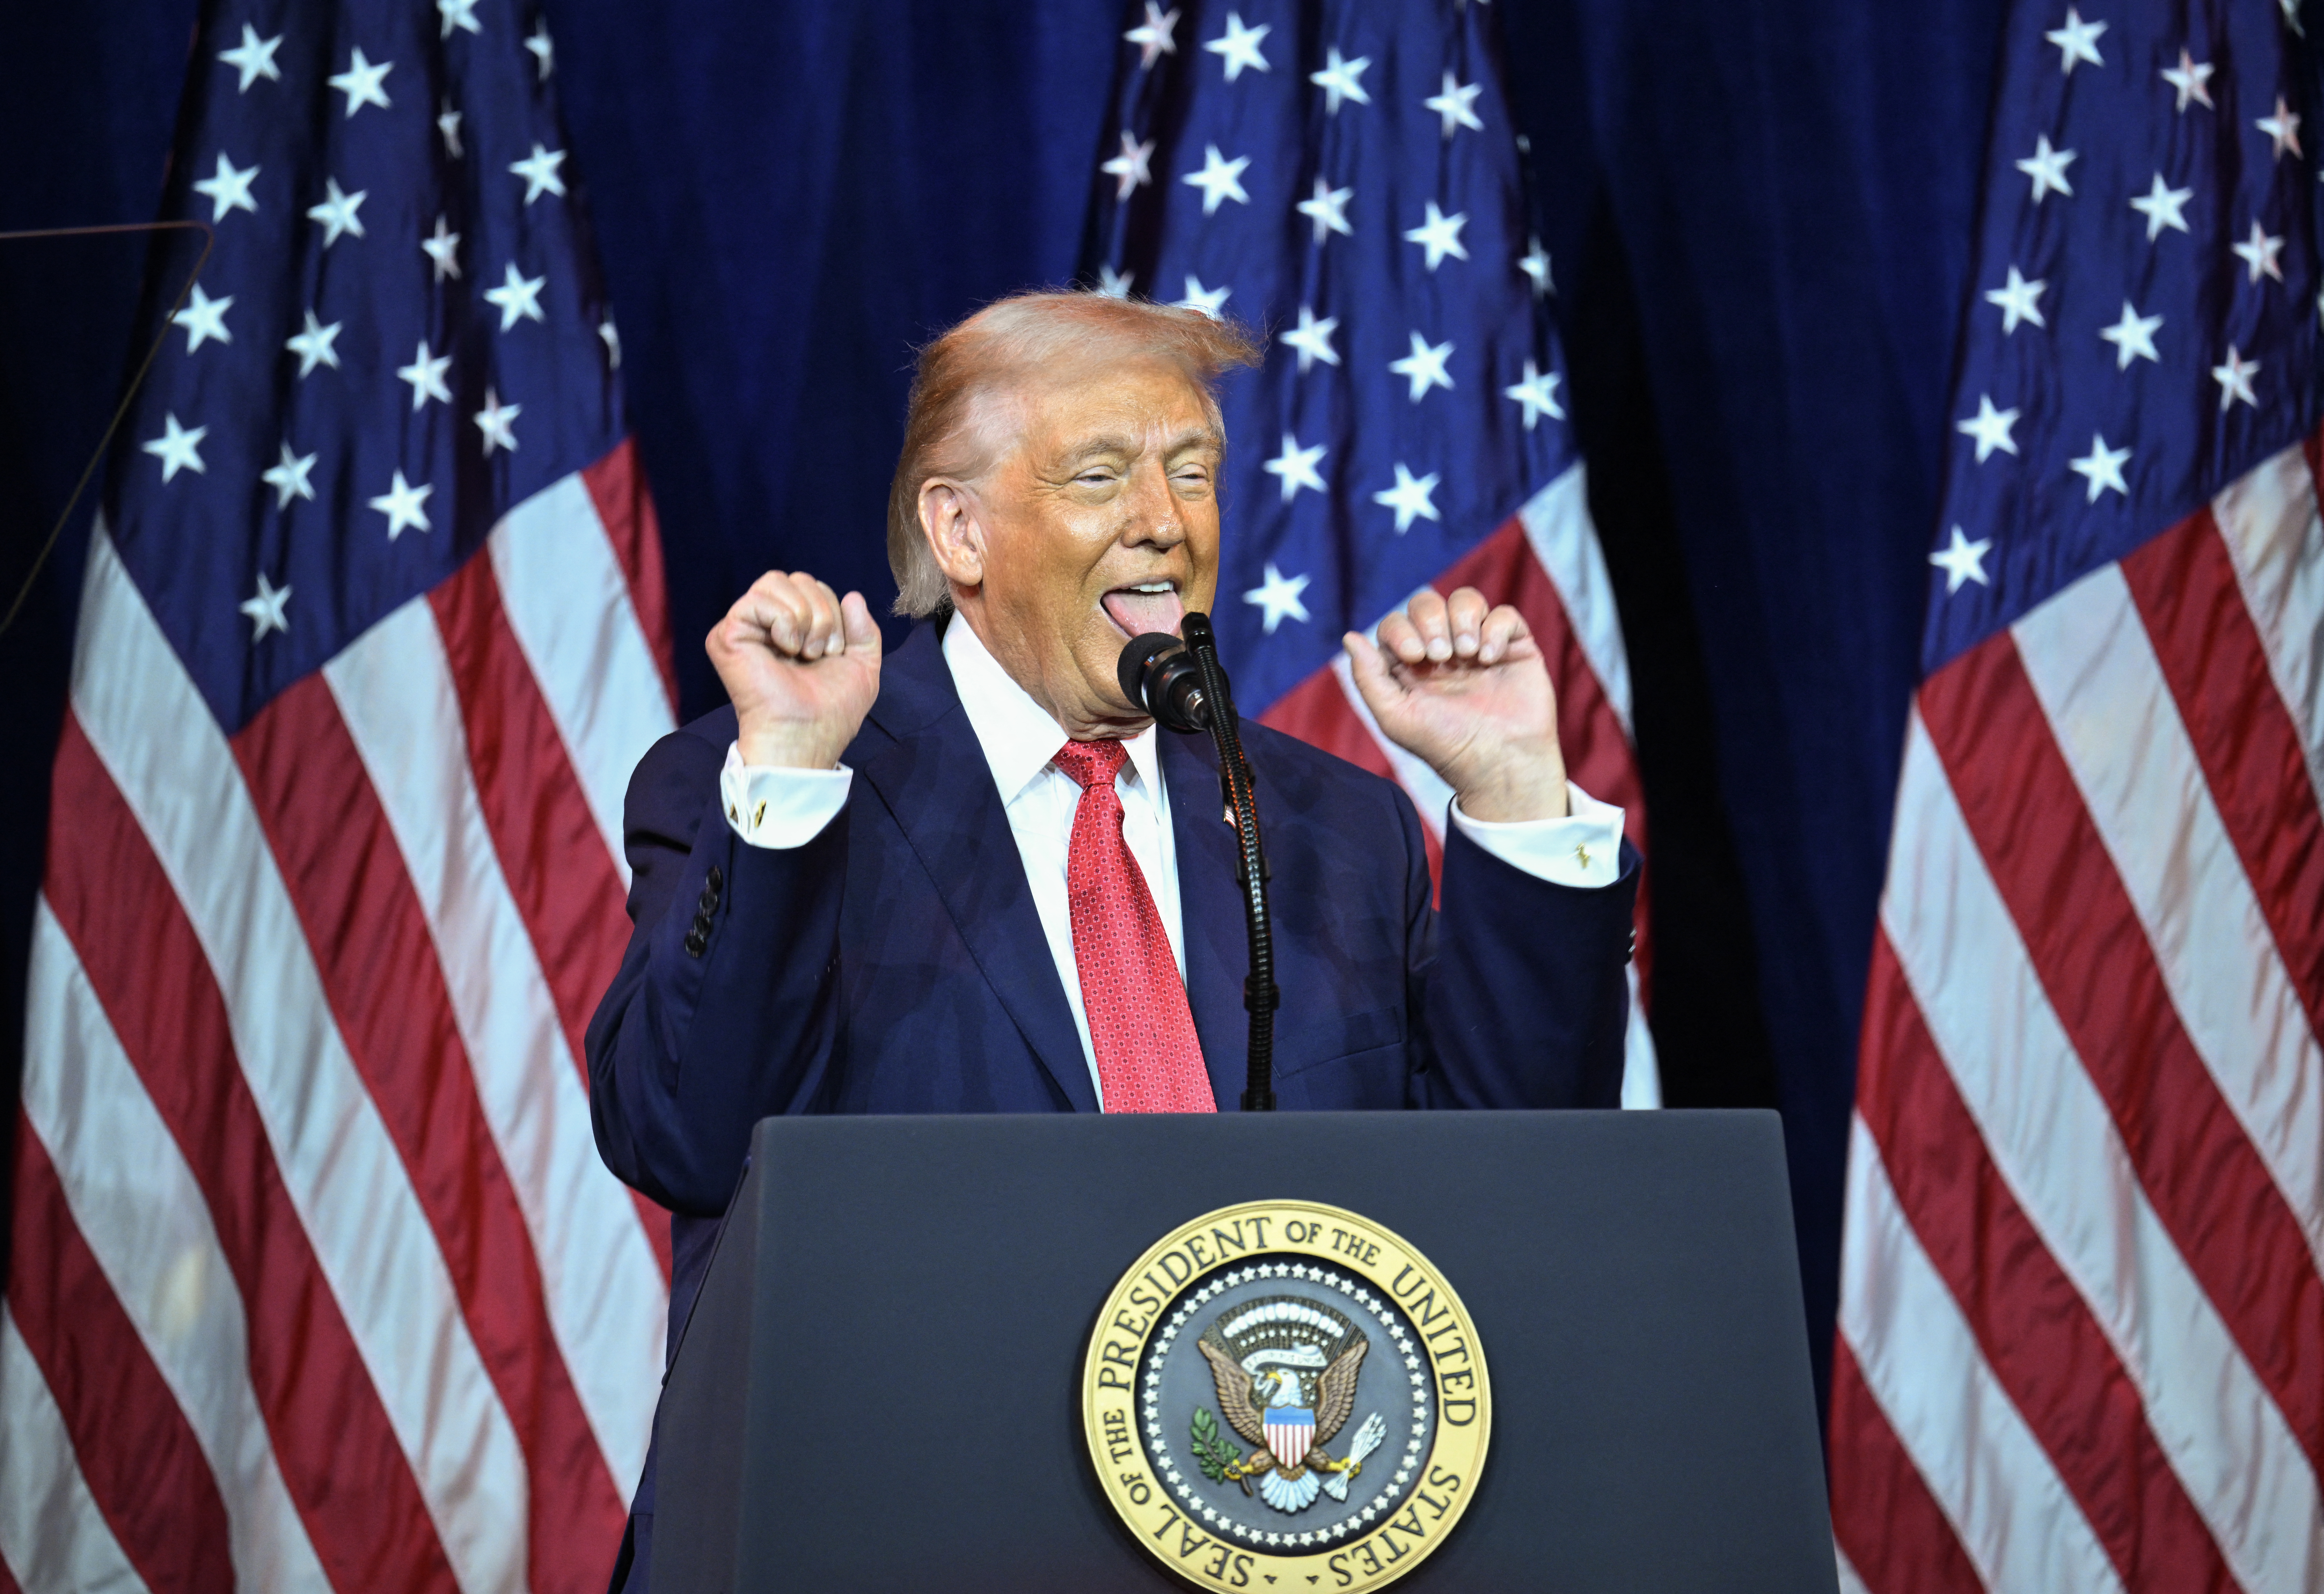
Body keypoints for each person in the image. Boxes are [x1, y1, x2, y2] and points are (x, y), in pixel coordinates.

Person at [586, 290, 1640, 1589]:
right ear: (959, 530)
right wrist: (791, 781)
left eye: (1192, 470)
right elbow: (684, 1136)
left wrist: (1517, 794)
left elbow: (1512, 1204)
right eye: (1102, 474)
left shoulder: (1329, 829)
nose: (1166, 519)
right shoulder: (773, 792)